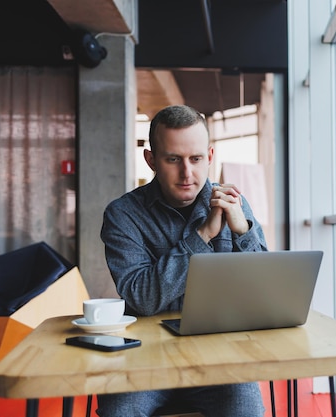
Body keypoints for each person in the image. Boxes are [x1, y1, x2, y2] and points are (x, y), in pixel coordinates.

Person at [98, 105, 267, 417]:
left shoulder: (234, 205)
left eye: (196, 159)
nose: (187, 173)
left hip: (221, 359)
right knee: (118, 412)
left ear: (210, 156)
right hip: (144, 360)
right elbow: (142, 298)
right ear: (151, 160)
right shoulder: (122, 215)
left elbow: (262, 292)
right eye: (173, 159)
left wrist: (242, 229)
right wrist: (202, 236)